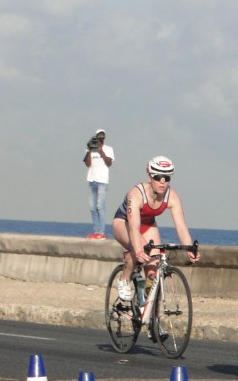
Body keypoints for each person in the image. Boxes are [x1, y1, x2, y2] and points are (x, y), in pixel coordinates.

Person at [112, 156, 199, 302]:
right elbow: (133, 227)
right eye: (158, 177)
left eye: (167, 178)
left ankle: (147, 302)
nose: (162, 181)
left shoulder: (172, 197)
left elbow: (181, 226)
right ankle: (124, 279)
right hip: (124, 222)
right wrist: (138, 250)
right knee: (139, 248)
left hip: (148, 225)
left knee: (154, 265)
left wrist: (189, 248)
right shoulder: (136, 194)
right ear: (150, 177)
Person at [83, 129, 114, 239]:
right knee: (93, 207)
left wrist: (101, 152)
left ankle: (101, 232)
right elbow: (87, 164)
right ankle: (96, 231)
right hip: (92, 180)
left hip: (102, 181)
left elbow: (109, 163)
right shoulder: (90, 149)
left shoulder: (108, 149)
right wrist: (89, 150)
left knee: (100, 206)